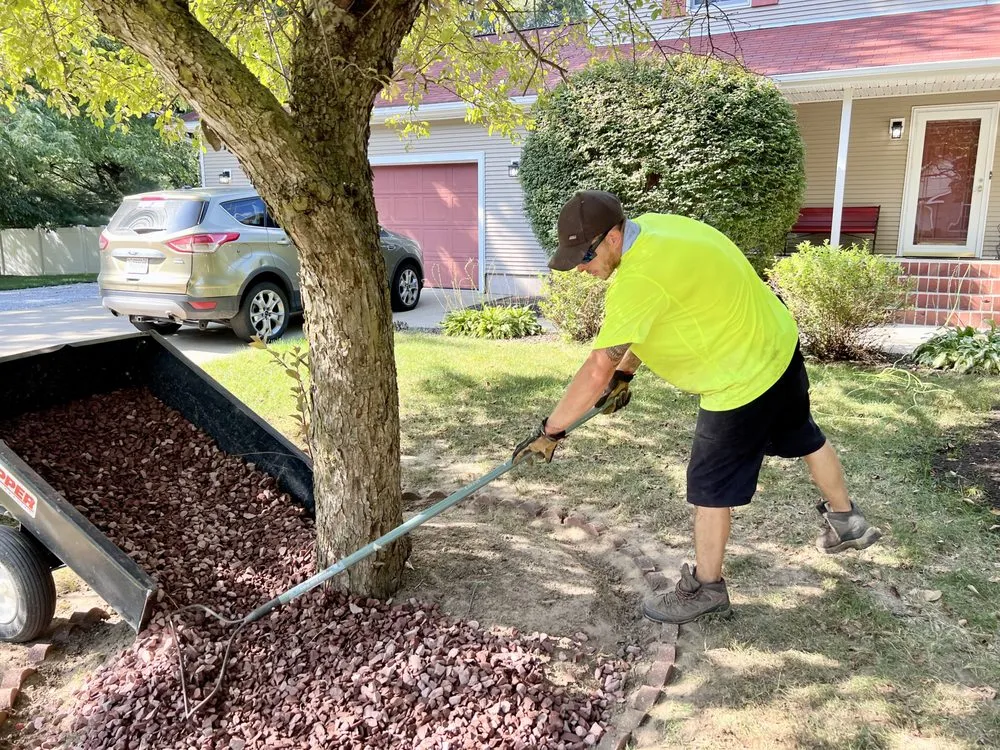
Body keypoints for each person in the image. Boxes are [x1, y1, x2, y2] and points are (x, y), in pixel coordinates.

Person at [513, 190, 882, 624]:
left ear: (613, 237)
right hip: (776, 341)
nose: (580, 267)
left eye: (585, 255)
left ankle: (707, 590)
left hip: (739, 379)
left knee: (709, 488)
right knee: (804, 434)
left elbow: (598, 365)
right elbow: (658, 320)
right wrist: (627, 374)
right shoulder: (657, 228)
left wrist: (551, 431)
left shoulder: (638, 280)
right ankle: (848, 522)